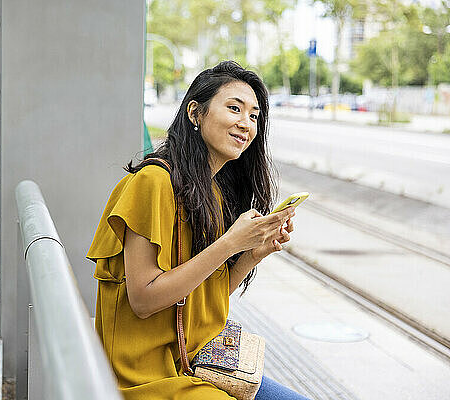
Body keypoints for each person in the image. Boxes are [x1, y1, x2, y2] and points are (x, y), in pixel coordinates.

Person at [87, 61, 309, 400]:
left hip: (195, 361)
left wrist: (249, 256)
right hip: (143, 376)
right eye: (234, 108)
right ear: (196, 113)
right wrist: (229, 243)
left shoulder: (214, 192)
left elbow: (203, 299)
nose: (245, 124)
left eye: (254, 115)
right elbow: (144, 300)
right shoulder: (153, 182)